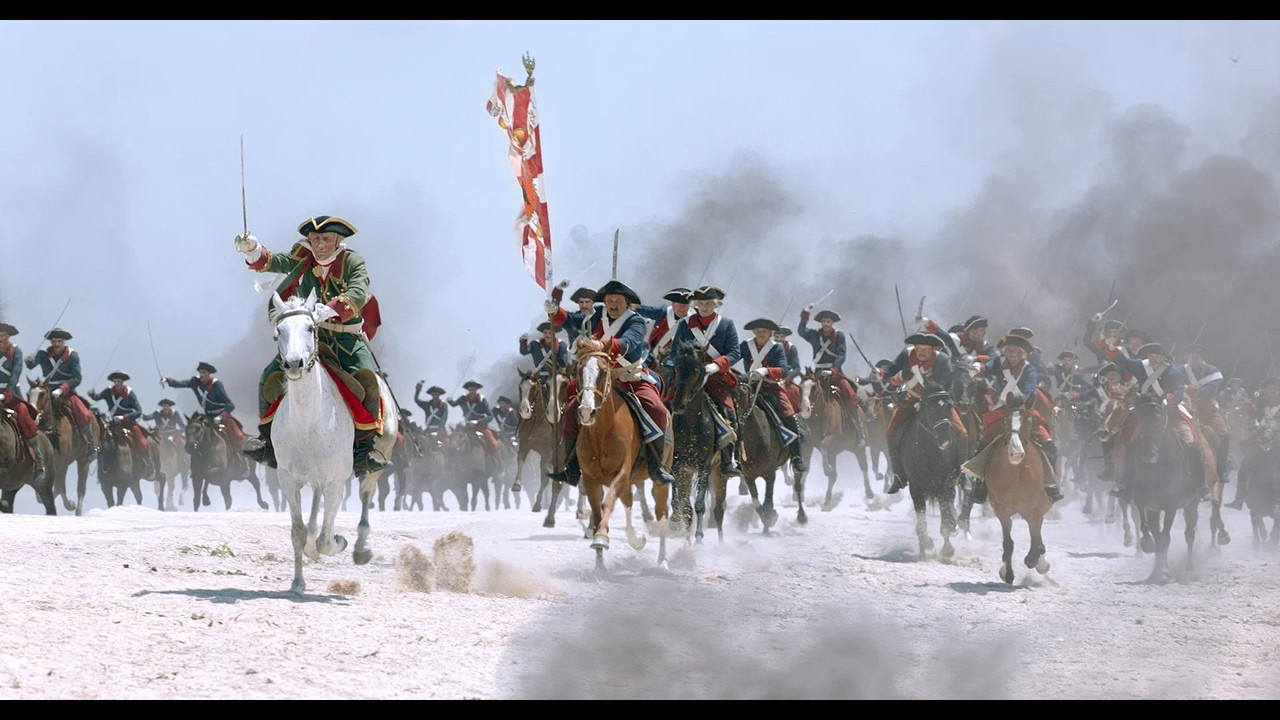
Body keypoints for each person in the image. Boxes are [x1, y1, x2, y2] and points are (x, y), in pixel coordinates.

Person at [233, 215, 390, 476]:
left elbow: (359, 291)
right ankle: (269, 442)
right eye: (315, 239)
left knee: (368, 380)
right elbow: (274, 262)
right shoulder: (304, 257)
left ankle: (364, 451)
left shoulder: (352, 261)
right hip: (310, 337)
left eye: (326, 239)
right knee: (269, 376)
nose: (319, 245)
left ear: (338, 240)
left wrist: (331, 310)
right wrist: (253, 250)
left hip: (345, 339)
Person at [545, 279, 677, 487]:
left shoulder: (636, 321)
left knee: (657, 410)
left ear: (627, 303)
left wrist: (600, 343)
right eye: (609, 300)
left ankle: (656, 465)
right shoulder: (594, 315)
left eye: (617, 300)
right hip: (597, 377)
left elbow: (629, 342)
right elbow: (570, 321)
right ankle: (571, 467)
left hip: (628, 377)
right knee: (571, 410)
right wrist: (555, 309)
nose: (613, 304)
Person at [960, 333, 1064, 502]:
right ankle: (981, 484)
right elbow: (987, 367)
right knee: (984, 443)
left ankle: (1050, 484)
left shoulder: (1028, 369)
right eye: (1009, 352)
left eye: (1015, 352)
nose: (1012, 355)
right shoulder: (1000, 362)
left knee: (1048, 444)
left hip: (1025, 409)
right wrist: (978, 368)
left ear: (1021, 354)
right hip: (1004, 409)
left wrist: (1021, 402)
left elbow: (1030, 389)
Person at [1105, 341, 1210, 501]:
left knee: (1190, 440)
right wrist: (1111, 348)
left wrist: (1170, 398)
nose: (1153, 358)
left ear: (1162, 357)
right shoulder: (1140, 366)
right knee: (1129, 441)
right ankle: (1125, 482)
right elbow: (1122, 361)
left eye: (1157, 355)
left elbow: (1179, 390)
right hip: (1145, 412)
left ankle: (1200, 483)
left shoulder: (1174, 372)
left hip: (1170, 410)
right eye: (1151, 355)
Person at [878, 332, 968, 494]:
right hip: (911, 401)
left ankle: (961, 473)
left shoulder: (942, 360)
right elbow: (892, 368)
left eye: (925, 349)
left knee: (961, 431)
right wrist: (882, 373)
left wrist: (928, 387)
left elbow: (946, 384)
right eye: (919, 348)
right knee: (890, 432)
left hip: (936, 403)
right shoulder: (907, 354)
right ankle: (899, 475)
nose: (921, 352)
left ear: (932, 349)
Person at [672, 285, 744, 477]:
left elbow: (735, 352)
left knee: (730, 413)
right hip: (688, 378)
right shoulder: (685, 324)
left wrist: (717, 365)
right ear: (695, 305)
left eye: (708, 304)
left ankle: (730, 460)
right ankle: (665, 454)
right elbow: (674, 352)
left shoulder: (726, 324)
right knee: (667, 406)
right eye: (701, 303)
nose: (704, 307)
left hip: (716, 379)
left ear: (715, 305)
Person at [740, 318, 807, 474]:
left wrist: (766, 371)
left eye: (763, 331)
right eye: (757, 330)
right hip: (749, 388)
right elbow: (733, 356)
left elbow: (783, 371)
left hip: (770, 388)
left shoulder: (776, 349)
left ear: (770, 333)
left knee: (788, 415)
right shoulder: (745, 346)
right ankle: (731, 459)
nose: (760, 333)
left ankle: (796, 456)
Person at [24, 327, 97, 453]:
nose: (56, 344)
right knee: (31, 409)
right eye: (54, 341)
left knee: (83, 412)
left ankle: (91, 444)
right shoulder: (43, 354)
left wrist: (62, 389)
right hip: (47, 390)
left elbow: (77, 378)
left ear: (64, 342)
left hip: (67, 392)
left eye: (59, 341)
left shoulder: (72, 356)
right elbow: (31, 366)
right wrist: (29, 361)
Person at [88, 371, 156, 480]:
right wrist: (92, 394)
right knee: (101, 439)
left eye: (118, 381)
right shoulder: (108, 391)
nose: (117, 384)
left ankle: (150, 465)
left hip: (128, 423)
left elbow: (139, 411)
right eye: (115, 381)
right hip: (113, 423)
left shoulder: (129, 393)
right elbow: (97, 397)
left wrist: (124, 417)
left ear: (122, 382)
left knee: (142, 441)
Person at [0, 322, 46, 482]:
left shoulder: (16, 352)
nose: (0, 338)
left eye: (2, 335)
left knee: (24, 417)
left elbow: (15, 374)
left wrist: (6, 394)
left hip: (10, 393)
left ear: (8, 337)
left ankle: (38, 461)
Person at [1226, 376, 1280, 509]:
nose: (1273, 389)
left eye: (1276, 387)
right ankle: (1239, 499)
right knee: (1245, 465)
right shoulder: (1261, 403)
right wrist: (1249, 410)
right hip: (1261, 440)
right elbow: (1254, 417)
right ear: (1266, 390)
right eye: (1271, 387)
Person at [165, 362, 244, 447]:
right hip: (208, 417)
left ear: (208, 373)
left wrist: (220, 416)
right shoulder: (195, 382)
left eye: (203, 372)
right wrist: (167, 380)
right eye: (200, 372)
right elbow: (181, 383)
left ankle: (242, 456)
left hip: (221, 417)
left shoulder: (216, 384)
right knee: (194, 431)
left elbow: (230, 405)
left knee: (237, 436)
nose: (201, 375)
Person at [450, 381, 503, 478]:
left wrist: (478, 421)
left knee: (493, 443)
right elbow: (454, 404)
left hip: (480, 427)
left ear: (476, 390)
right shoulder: (463, 399)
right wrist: (450, 401)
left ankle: (500, 467)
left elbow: (490, 416)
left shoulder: (482, 400)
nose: (471, 391)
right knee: (455, 440)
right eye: (470, 390)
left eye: (473, 390)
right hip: (467, 427)